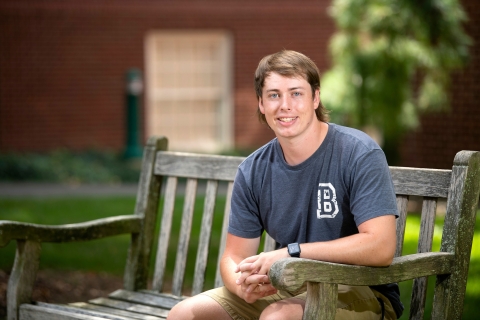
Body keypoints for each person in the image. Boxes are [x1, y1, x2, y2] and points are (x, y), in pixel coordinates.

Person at [167, 50, 404, 319]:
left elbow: (381, 246)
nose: (285, 105)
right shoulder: (253, 170)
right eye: (274, 95)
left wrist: (292, 253)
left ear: (315, 98)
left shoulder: (357, 152)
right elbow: (233, 256)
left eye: (296, 93)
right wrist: (242, 286)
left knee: (277, 317)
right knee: (184, 314)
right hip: (289, 287)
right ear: (261, 103)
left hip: (361, 291)